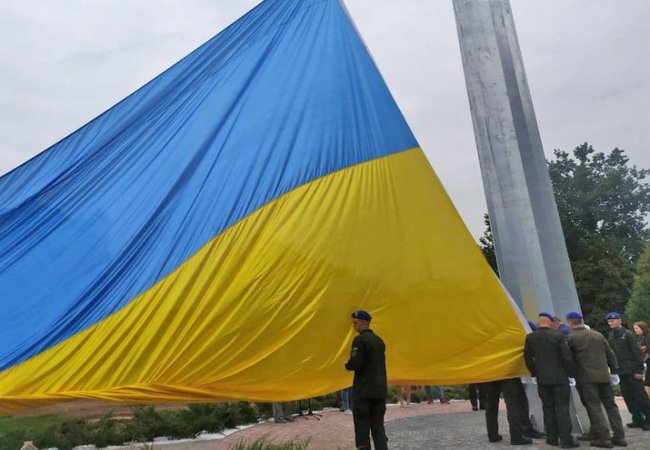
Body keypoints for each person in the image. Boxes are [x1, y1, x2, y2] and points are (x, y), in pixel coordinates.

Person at [566, 311, 626, 448]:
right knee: (611, 406)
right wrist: (614, 371)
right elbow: (610, 354)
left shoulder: (571, 338)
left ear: (570, 322)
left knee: (594, 407)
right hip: (604, 376)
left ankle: (604, 438)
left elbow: (568, 359)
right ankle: (619, 436)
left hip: (585, 378)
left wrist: (571, 373)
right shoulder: (598, 335)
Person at [524, 312, 578, 448]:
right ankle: (566, 440)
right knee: (562, 408)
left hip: (542, 379)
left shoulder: (530, 337)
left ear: (539, 322)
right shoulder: (558, 336)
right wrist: (570, 373)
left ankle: (551, 438)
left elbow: (528, 358)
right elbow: (567, 357)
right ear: (550, 322)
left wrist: (534, 373)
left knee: (547, 408)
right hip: (560, 378)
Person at [345, 310, 388, 450]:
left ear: (364, 323)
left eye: (355, 323)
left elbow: (355, 362)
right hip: (379, 391)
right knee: (378, 427)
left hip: (363, 392)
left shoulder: (359, 340)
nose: (354, 326)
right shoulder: (379, 340)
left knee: (362, 427)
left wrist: (347, 365)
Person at [606, 312, 650, 430]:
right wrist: (614, 370)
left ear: (619, 321)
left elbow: (637, 353)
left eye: (613, 321)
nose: (610, 323)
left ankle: (649, 418)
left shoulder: (627, 334)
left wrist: (639, 370)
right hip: (621, 371)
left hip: (632, 370)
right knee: (628, 397)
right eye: (609, 321)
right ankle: (637, 418)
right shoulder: (611, 335)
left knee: (640, 396)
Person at [483, 377, 544, 445]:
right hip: (508, 373)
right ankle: (517, 434)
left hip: (490, 374)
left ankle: (492, 434)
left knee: (491, 403)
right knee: (514, 401)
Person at [632, 321, 650, 396]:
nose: (635, 330)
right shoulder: (642, 337)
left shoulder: (648, 337)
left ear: (642, 328)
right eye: (634, 329)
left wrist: (642, 360)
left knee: (647, 382)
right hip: (647, 362)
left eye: (637, 328)